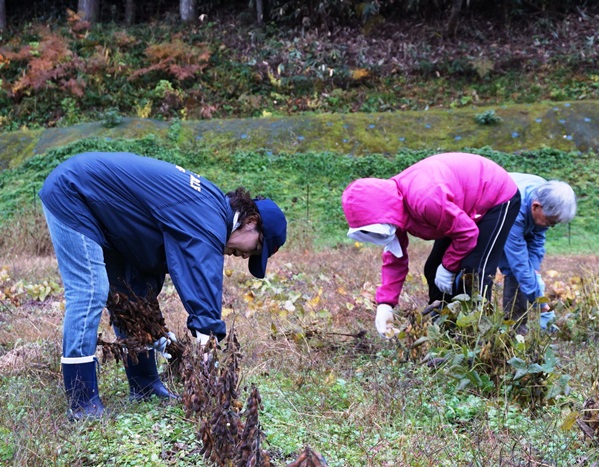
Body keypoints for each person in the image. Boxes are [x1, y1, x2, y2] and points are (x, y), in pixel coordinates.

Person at [39, 152, 287, 420]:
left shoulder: (209, 206)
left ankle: (144, 385)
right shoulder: (208, 216)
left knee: (131, 295)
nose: (245, 257)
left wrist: (167, 343)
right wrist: (211, 365)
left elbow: (150, 265)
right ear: (251, 223)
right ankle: (81, 402)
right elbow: (201, 280)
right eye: (256, 249)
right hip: (74, 193)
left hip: (106, 212)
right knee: (90, 291)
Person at [342, 152, 521, 338]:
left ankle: (477, 336)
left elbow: (467, 233)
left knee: (475, 271)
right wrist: (385, 305)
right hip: (458, 206)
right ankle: (444, 327)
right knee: (433, 268)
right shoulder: (393, 206)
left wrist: (449, 266)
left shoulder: (425, 200)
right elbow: (395, 258)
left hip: (496, 194)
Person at [498, 173, 576, 334]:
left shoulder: (546, 193)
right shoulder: (515, 208)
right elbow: (518, 261)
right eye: (550, 221)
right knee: (510, 270)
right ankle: (475, 325)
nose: (551, 226)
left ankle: (516, 329)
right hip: (483, 217)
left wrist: (534, 270)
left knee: (525, 272)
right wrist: (542, 305)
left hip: (513, 213)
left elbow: (537, 240)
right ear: (536, 207)